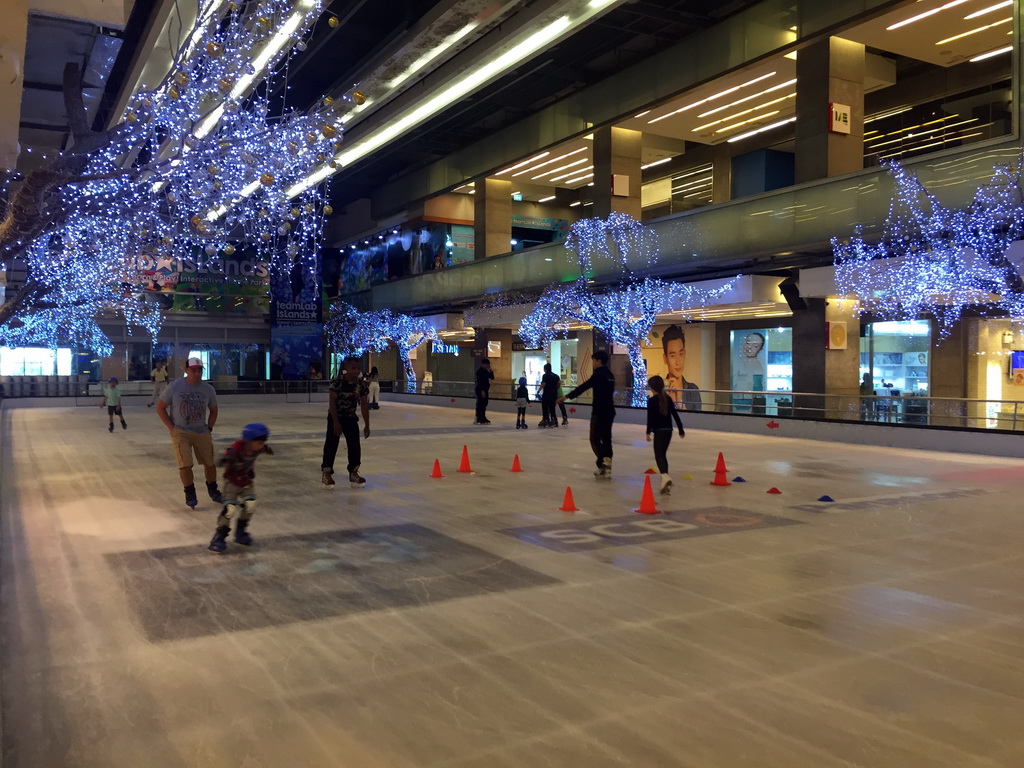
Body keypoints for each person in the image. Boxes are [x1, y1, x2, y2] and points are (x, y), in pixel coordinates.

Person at [157, 357, 223, 509]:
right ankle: (190, 493)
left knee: (209, 463)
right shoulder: (175, 387)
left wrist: (209, 428)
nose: (197, 373)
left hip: (202, 431)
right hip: (181, 432)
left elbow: (213, 409)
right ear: (186, 370)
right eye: (193, 370)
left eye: (199, 370)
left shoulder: (208, 389)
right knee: (185, 465)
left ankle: (213, 490)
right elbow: (161, 407)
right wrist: (171, 428)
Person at [208, 423, 273, 553]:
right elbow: (220, 459)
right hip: (232, 482)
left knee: (250, 505)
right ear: (249, 441)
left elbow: (265, 448)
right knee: (230, 509)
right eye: (259, 443)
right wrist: (227, 457)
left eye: (263, 443)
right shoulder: (236, 448)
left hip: (246, 481)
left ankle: (241, 532)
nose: (261, 446)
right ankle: (219, 537)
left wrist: (267, 449)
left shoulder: (258, 448)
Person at [558, 349, 616, 478]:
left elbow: (584, 387)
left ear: (599, 361)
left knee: (594, 438)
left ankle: (603, 462)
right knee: (606, 438)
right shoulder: (610, 375)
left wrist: (566, 396)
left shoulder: (599, 374)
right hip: (610, 411)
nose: (593, 363)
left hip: (599, 411)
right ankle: (606, 464)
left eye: (594, 361)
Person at [321, 356, 371, 488]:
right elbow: (332, 403)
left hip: (350, 417)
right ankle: (327, 472)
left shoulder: (361, 384)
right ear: (346, 368)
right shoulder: (337, 382)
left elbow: (364, 404)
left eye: (358, 368)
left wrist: (367, 425)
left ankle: (353, 472)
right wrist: (336, 423)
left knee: (354, 445)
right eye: (353, 368)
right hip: (335, 417)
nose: (356, 371)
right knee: (331, 445)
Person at [646, 376, 685, 495]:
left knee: (659, 456)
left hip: (659, 431)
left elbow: (650, 418)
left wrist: (648, 432)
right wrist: (680, 429)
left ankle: (665, 477)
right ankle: (665, 483)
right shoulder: (667, 398)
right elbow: (675, 415)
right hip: (668, 431)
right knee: (663, 455)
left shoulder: (652, 401)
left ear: (652, 387)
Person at [662, 325, 702, 411]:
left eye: (681, 354)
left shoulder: (692, 390)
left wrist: (679, 399)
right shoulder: (660, 390)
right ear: (665, 358)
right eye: (672, 356)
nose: (678, 362)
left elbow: (697, 419)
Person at [733, 331, 766, 413]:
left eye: (755, 346)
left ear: (760, 349)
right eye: (748, 343)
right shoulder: (738, 362)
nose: (749, 347)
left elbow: (758, 389)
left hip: (748, 402)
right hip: (738, 400)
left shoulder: (757, 366)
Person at [538, 362, 561, 428]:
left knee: (545, 407)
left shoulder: (545, 375)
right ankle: (554, 420)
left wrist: (538, 391)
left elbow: (543, 384)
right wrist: (555, 388)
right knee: (552, 408)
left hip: (547, 394)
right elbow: (559, 383)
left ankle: (546, 420)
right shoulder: (556, 376)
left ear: (545, 369)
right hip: (554, 394)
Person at [474, 357, 493, 425]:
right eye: (487, 365)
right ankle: (479, 417)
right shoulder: (479, 372)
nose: (488, 366)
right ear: (483, 364)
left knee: (485, 403)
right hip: (480, 390)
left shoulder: (486, 371)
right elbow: (480, 382)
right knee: (480, 403)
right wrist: (482, 390)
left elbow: (492, 377)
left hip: (485, 389)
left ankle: (483, 416)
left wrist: (491, 370)